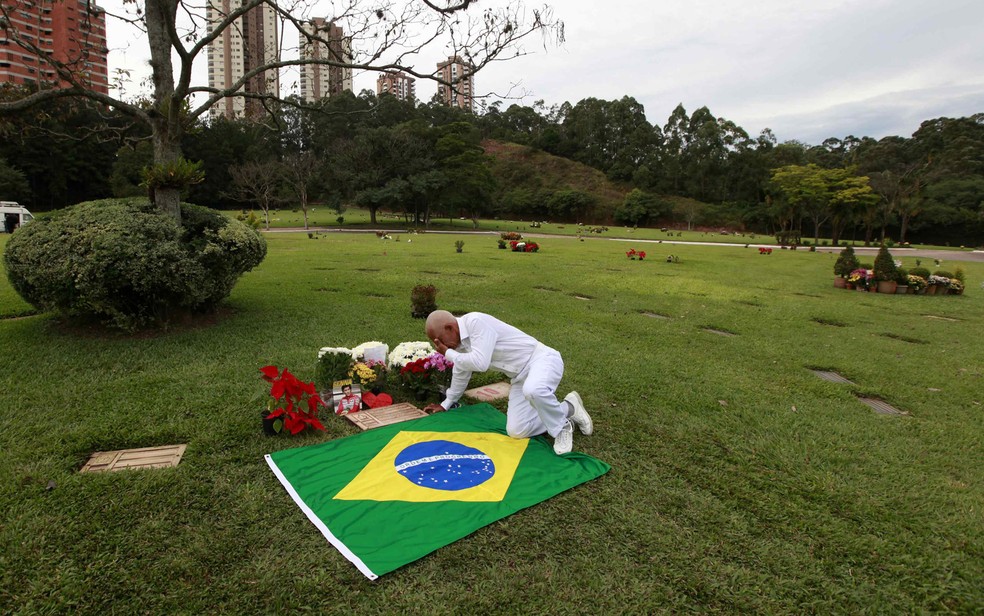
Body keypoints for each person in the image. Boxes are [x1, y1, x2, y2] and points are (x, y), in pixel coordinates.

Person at [423, 310, 593, 455]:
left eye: (439, 340)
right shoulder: (458, 346)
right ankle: (569, 407)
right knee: (517, 430)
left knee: (533, 389)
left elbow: (480, 363)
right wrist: (446, 404)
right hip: (519, 377)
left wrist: (449, 354)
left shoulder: (475, 322)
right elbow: (461, 372)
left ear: (450, 328)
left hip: (542, 360)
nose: (440, 346)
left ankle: (562, 427)